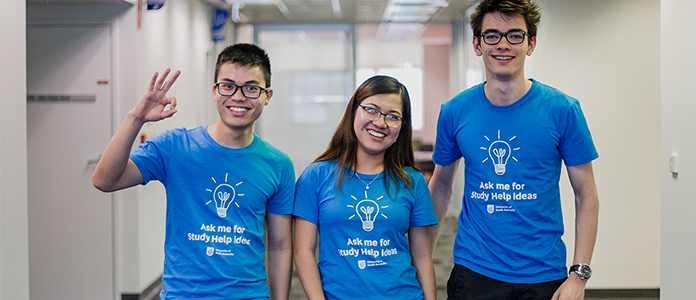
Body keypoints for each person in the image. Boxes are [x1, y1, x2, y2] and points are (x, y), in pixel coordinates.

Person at [92, 43, 295, 300]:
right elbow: (104, 180)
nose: (239, 97)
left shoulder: (278, 164)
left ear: (268, 95)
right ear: (214, 90)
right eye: (228, 85)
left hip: (249, 295)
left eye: (252, 88)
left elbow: (280, 246)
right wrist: (136, 118)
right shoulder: (175, 147)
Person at [428, 0, 600, 299]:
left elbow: (587, 195)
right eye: (492, 35)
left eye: (515, 35)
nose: (503, 44)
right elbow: (441, 186)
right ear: (477, 44)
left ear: (530, 43)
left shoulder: (563, 110)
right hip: (474, 272)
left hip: (543, 275)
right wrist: (423, 260)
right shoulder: (455, 111)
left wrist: (579, 274)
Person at [293, 75, 438, 300]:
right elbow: (303, 253)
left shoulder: (413, 181)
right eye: (371, 110)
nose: (380, 123)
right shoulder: (316, 176)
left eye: (393, 116)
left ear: (402, 126)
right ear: (354, 110)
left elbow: (422, 256)